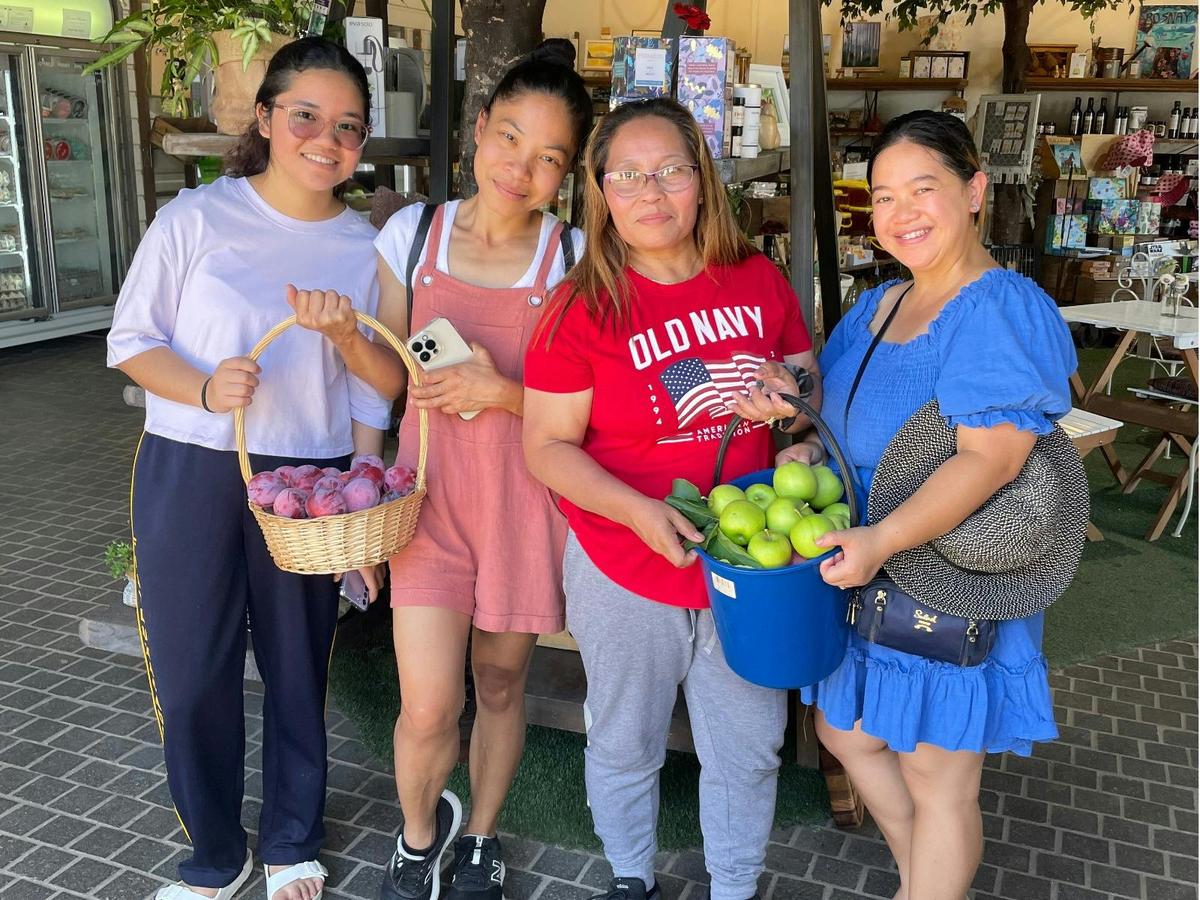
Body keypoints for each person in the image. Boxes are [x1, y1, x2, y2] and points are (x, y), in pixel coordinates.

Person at [289, 41, 589, 900]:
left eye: (548, 158)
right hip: (426, 507)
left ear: (564, 176)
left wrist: (502, 391)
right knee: (426, 705)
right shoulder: (411, 233)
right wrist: (351, 339)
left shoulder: (569, 259)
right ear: (480, 132)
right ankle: (421, 837)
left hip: (525, 507)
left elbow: (593, 414)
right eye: (509, 140)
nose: (520, 168)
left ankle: (484, 836)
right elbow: (393, 381)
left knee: (500, 683)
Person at [107, 37, 390, 900]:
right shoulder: (196, 218)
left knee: (299, 666)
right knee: (193, 674)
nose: (325, 139)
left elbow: (380, 392)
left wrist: (362, 508)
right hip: (192, 464)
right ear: (265, 118)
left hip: (309, 481)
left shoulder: (362, 245)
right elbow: (130, 342)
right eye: (305, 115)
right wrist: (201, 385)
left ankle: (292, 839)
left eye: (348, 126)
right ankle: (214, 857)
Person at [522, 97, 819, 900]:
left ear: (702, 181)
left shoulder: (756, 279)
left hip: (746, 564)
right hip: (623, 560)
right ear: (601, 191)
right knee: (623, 738)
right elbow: (544, 446)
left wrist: (790, 397)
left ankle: (733, 886)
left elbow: (805, 382)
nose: (650, 193)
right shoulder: (580, 305)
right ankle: (629, 878)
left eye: (670, 171)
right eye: (627, 175)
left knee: (749, 745)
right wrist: (635, 511)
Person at [791, 110, 1075, 900]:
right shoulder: (878, 307)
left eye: (925, 188)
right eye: (884, 196)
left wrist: (882, 538)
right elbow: (834, 413)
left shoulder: (998, 307)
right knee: (844, 730)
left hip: (946, 566)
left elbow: (991, 460)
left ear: (974, 190)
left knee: (936, 772)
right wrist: (805, 447)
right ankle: (922, 878)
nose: (902, 212)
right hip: (865, 567)